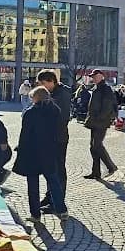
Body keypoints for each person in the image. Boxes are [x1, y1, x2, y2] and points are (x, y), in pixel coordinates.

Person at [12, 87, 69, 222]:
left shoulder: (30, 113)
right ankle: (62, 210)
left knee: (33, 184)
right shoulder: (55, 110)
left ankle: (35, 214)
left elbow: (25, 135)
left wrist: (21, 150)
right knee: (53, 182)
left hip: (33, 152)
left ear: (35, 98)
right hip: (49, 151)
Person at [36, 70, 72, 210]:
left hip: (58, 138)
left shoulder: (61, 95)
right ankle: (50, 196)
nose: (42, 87)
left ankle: (57, 201)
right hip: (52, 137)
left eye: (43, 83)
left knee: (57, 170)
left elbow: (61, 119)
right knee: (51, 169)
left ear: (51, 81)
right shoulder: (53, 93)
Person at [83, 70, 118, 180]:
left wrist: (101, 117)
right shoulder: (96, 88)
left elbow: (108, 105)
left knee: (97, 145)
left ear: (101, 76)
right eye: (93, 77)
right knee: (93, 147)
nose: (94, 78)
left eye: (96, 76)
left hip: (101, 121)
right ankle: (96, 172)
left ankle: (111, 166)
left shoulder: (105, 88)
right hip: (94, 120)